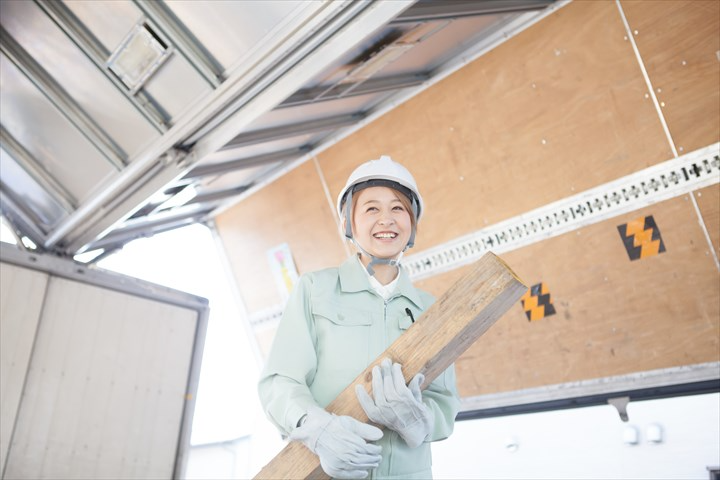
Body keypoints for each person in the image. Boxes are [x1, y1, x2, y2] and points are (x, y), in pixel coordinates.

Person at [258, 155, 460, 479]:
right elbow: (279, 382)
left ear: (412, 225)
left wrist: (420, 421)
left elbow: (445, 404)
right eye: (371, 209)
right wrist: (316, 427)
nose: (387, 219)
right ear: (348, 224)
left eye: (398, 208)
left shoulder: (431, 309)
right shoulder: (315, 290)